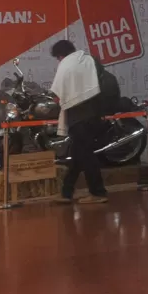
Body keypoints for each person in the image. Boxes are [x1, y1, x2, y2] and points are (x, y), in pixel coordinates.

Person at [50, 39, 109, 204]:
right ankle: (66, 192)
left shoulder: (66, 65)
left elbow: (57, 93)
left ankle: (98, 193)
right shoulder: (89, 60)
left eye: (57, 58)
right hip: (93, 114)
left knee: (86, 156)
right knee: (78, 155)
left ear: (60, 55)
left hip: (79, 118)